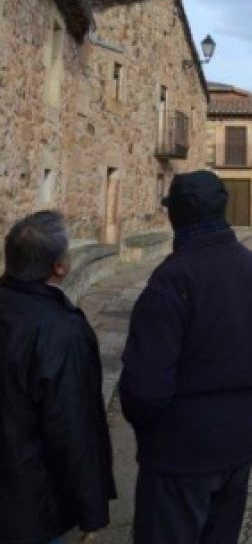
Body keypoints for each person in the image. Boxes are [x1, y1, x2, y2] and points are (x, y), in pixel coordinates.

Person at [119, 170, 252, 544]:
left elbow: (144, 387)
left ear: (174, 217)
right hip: (238, 444)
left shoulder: (171, 280)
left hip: (178, 453)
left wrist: (150, 424)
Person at [0, 210, 116, 544]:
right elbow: (71, 426)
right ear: (59, 267)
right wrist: (91, 511)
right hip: (29, 509)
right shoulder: (60, 331)